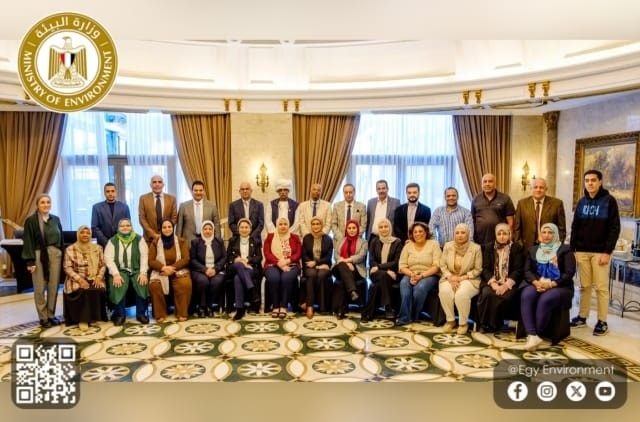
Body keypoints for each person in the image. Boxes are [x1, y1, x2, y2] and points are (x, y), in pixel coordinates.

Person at [570, 169, 620, 336]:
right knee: (584, 286)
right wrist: (573, 249)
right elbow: (575, 227)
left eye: (593, 180)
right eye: (587, 180)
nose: (589, 183)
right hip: (582, 251)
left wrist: (607, 252)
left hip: (600, 252)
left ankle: (602, 321)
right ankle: (582, 317)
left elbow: (614, 228)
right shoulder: (581, 202)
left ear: (600, 182)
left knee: (601, 288)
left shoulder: (609, 201)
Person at [521, 223, 576, 351]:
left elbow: (569, 273)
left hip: (560, 286)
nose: (546, 235)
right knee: (526, 295)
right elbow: (527, 270)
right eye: (544, 232)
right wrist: (536, 282)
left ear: (555, 234)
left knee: (545, 299)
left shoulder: (565, 250)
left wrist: (551, 284)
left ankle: (537, 333)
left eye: (550, 232)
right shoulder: (534, 250)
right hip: (538, 283)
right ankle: (532, 334)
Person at [22, 194, 64, 328]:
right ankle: (43, 317)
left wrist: (62, 255)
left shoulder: (55, 219)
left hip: (55, 254)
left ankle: (51, 315)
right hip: (39, 254)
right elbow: (28, 241)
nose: (46, 205)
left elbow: (61, 238)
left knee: (54, 286)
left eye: (48, 202)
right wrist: (30, 261)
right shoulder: (31, 221)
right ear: (37, 205)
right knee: (39, 287)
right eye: (42, 202)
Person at [477, 223, 524, 333]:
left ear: (509, 234)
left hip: (509, 283)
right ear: (495, 235)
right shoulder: (489, 247)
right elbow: (485, 268)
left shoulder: (517, 248)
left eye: (504, 234)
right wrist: (493, 284)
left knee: (505, 296)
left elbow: (518, 270)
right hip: (492, 281)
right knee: (487, 294)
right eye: (499, 234)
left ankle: (495, 324)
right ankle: (485, 324)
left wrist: (506, 285)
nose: (502, 236)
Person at [104, 218, 149, 326]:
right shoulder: (112, 241)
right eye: (122, 226)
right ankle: (120, 315)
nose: (125, 227)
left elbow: (144, 257)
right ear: (118, 228)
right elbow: (108, 258)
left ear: (131, 227)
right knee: (118, 284)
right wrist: (115, 274)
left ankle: (141, 314)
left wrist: (143, 273)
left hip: (136, 269)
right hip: (119, 270)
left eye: (128, 225)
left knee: (141, 282)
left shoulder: (139, 239)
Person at [438, 223, 482, 335]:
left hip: (469, 278)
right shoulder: (448, 246)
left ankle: (463, 323)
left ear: (468, 234)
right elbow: (442, 265)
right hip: (450, 277)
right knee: (444, 292)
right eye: (457, 233)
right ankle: (450, 320)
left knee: (461, 294)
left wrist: (461, 278)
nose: (460, 235)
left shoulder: (476, 248)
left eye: (463, 233)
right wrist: (450, 277)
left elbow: (478, 269)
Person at [62, 225, 107, 330]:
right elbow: (67, 268)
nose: (85, 235)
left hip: (94, 277)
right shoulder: (70, 249)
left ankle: (94, 317)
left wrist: (99, 277)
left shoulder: (98, 248)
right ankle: (83, 320)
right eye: (82, 233)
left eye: (88, 233)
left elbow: (103, 265)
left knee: (97, 288)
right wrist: (80, 280)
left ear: (91, 235)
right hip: (76, 278)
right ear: (78, 235)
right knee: (83, 290)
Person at [397, 222, 441, 325]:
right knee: (404, 285)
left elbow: (437, 266)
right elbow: (402, 266)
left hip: (429, 274)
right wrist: (412, 274)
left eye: (420, 231)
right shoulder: (408, 246)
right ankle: (404, 318)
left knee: (419, 288)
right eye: (415, 232)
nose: (418, 234)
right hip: (410, 273)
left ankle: (414, 315)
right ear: (412, 234)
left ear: (426, 232)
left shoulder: (434, 244)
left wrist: (421, 276)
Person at [148, 219, 192, 323]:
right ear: (160, 229)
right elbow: (151, 260)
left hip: (178, 269)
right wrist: (163, 268)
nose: (167, 229)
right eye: (164, 227)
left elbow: (186, 258)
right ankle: (160, 314)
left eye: (169, 227)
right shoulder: (155, 242)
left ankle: (181, 313)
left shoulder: (181, 241)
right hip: (160, 271)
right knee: (155, 285)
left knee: (185, 283)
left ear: (173, 228)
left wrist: (171, 268)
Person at [361, 218, 403, 322]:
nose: (383, 229)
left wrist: (380, 267)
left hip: (391, 273)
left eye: (386, 226)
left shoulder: (397, 242)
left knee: (376, 286)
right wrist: (385, 271)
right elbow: (371, 261)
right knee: (384, 276)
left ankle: (367, 313)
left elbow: (396, 262)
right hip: (376, 273)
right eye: (381, 227)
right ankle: (388, 307)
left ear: (390, 227)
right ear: (378, 229)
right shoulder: (374, 241)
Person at [513, 177, 566, 253]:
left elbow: (561, 229)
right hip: (526, 248)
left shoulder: (557, 204)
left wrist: (556, 247)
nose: (538, 190)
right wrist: (519, 245)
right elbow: (517, 227)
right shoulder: (522, 204)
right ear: (531, 189)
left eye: (541, 187)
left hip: (549, 248)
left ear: (546, 189)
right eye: (535, 187)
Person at [263, 217, 302, 318]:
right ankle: (276, 306)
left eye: (285, 224)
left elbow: (298, 253)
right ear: (277, 225)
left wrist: (288, 261)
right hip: (272, 264)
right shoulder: (270, 237)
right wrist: (279, 263)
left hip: (291, 264)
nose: (283, 226)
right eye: (280, 224)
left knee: (286, 278)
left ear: (288, 225)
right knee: (274, 278)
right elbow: (267, 253)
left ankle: (284, 306)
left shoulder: (295, 237)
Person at [226, 218, 263, 320]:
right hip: (234, 267)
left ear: (250, 229)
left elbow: (259, 257)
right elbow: (228, 256)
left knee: (238, 278)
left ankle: (240, 309)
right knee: (239, 265)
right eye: (242, 227)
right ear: (238, 229)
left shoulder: (255, 241)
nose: (244, 229)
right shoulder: (232, 240)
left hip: (250, 268)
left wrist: (247, 260)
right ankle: (252, 291)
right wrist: (236, 260)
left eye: (246, 227)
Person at [331, 219, 368, 319]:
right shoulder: (341, 240)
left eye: (354, 228)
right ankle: (352, 291)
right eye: (349, 228)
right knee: (342, 267)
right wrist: (346, 263)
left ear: (357, 229)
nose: (351, 230)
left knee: (343, 280)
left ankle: (340, 309)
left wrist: (347, 261)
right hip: (339, 268)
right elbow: (336, 255)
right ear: (346, 229)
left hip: (356, 269)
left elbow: (361, 256)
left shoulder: (363, 242)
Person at [190, 220, 226, 318]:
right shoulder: (195, 242)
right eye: (205, 229)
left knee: (216, 281)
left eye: (210, 229)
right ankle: (202, 307)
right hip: (200, 270)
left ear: (213, 230)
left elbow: (224, 258)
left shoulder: (219, 242)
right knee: (203, 281)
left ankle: (209, 306)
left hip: (216, 270)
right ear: (202, 230)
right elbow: (193, 260)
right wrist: (205, 269)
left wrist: (215, 269)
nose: (208, 231)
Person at [301, 216, 333, 318]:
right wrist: (312, 264)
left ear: (322, 225)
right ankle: (310, 306)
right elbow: (304, 255)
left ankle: (308, 302)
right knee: (312, 274)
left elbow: (328, 257)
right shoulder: (306, 238)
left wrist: (316, 263)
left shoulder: (328, 239)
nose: (315, 226)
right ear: (311, 226)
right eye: (313, 224)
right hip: (309, 265)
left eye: (318, 224)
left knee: (321, 275)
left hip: (324, 266)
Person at [470, 173, 515, 245]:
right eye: (485, 182)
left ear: (495, 183)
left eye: (490, 181)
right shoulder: (476, 199)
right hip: (480, 240)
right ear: (482, 184)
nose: (487, 184)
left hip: (500, 239)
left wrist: (510, 238)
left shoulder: (505, 198)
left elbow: (511, 222)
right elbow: (472, 220)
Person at [177, 180, 221, 246]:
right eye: (196, 190)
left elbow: (217, 225)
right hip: (188, 243)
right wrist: (178, 243)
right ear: (192, 191)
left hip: (207, 242)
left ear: (204, 191)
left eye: (200, 190)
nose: (198, 192)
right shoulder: (183, 206)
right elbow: (179, 227)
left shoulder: (212, 206)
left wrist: (217, 242)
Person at [138, 175, 178, 244]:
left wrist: (165, 232)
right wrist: (153, 234)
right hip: (149, 239)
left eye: (160, 182)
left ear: (163, 184)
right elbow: (142, 218)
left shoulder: (172, 199)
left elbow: (174, 218)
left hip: (167, 239)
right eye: (154, 182)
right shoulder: (143, 198)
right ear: (150, 185)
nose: (157, 184)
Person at [91, 182, 131, 247]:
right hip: (103, 244)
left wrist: (118, 241)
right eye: (108, 191)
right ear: (104, 193)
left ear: (116, 192)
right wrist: (107, 242)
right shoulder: (96, 207)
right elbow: (95, 227)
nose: (110, 194)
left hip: (120, 243)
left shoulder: (124, 207)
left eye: (112, 191)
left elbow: (128, 225)